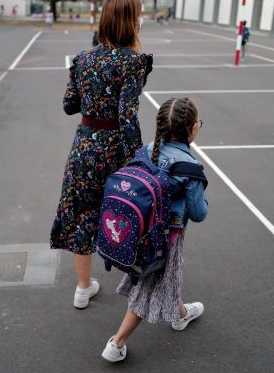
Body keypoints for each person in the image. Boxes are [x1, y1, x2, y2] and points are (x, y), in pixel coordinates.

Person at [50, 0, 153, 309]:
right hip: (114, 151)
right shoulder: (134, 62)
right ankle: (137, 288)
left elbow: (70, 106)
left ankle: (83, 289)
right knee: (128, 214)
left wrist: (91, 95)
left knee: (82, 215)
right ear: (130, 23)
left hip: (84, 148)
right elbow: (127, 116)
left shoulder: (83, 59)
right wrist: (139, 161)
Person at [102, 97, 208, 363]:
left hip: (139, 232)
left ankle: (181, 314)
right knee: (149, 287)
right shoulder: (190, 168)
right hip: (164, 239)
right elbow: (198, 213)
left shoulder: (148, 150)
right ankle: (116, 343)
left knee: (166, 279)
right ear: (193, 129)